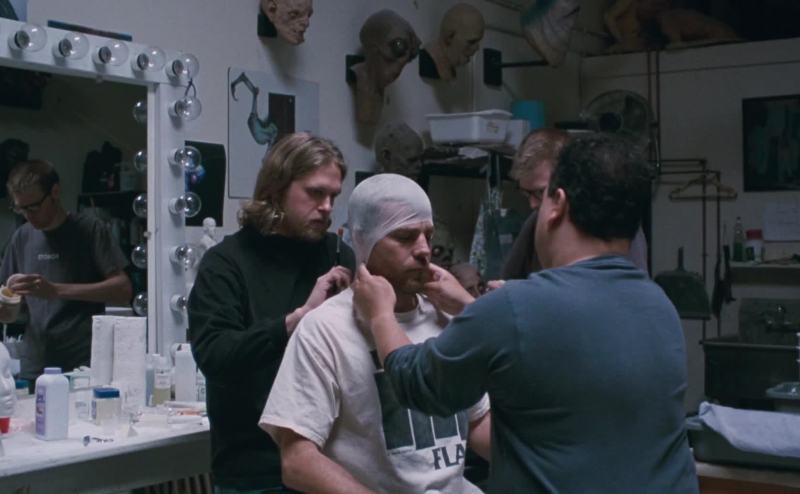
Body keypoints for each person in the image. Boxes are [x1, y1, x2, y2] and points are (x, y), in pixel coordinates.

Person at [353, 134, 698, 493]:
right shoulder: (659, 306)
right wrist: (473, 308)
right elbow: (555, 349)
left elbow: (417, 383)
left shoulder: (516, 308)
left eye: (539, 197)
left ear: (557, 204)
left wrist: (380, 314)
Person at [259, 173, 490, 494]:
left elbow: (477, 422)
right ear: (364, 243)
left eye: (428, 234)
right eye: (405, 237)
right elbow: (297, 460)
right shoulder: (325, 328)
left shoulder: (446, 315)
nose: (424, 250)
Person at [188, 133, 355, 492]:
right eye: (315, 193)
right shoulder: (226, 263)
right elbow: (215, 355)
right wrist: (298, 319)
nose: (327, 207)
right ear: (277, 188)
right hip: (255, 470)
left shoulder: (338, 254)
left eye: (333, 196)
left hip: (331, 464)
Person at [0, 160, 131, 382]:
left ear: (55, 192)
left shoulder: (90, 229)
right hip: (35, 366)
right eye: (21, 208)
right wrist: (7, 309)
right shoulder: (21, 237)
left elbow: (123, 290)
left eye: (34, 207)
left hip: (81, 367)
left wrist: (56, 290)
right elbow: (11, 302)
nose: (28, 215)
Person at [500, 128, 648, 282]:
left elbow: (628, 287)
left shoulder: (611, 220)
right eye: (526, 193)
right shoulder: (535, 222)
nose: (532, 204)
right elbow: (510, 278)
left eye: (540, 192)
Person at [350, 10, 420, 124]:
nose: (396, 70)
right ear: (373, 49)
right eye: (389, 60)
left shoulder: (380, 84)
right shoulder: (365, 77)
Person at [419, 3, 485, 81]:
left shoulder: (450, 68)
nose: (477, 48)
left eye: (478, 41)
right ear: (449, 36)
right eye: (472, 41)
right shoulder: (426, 61)